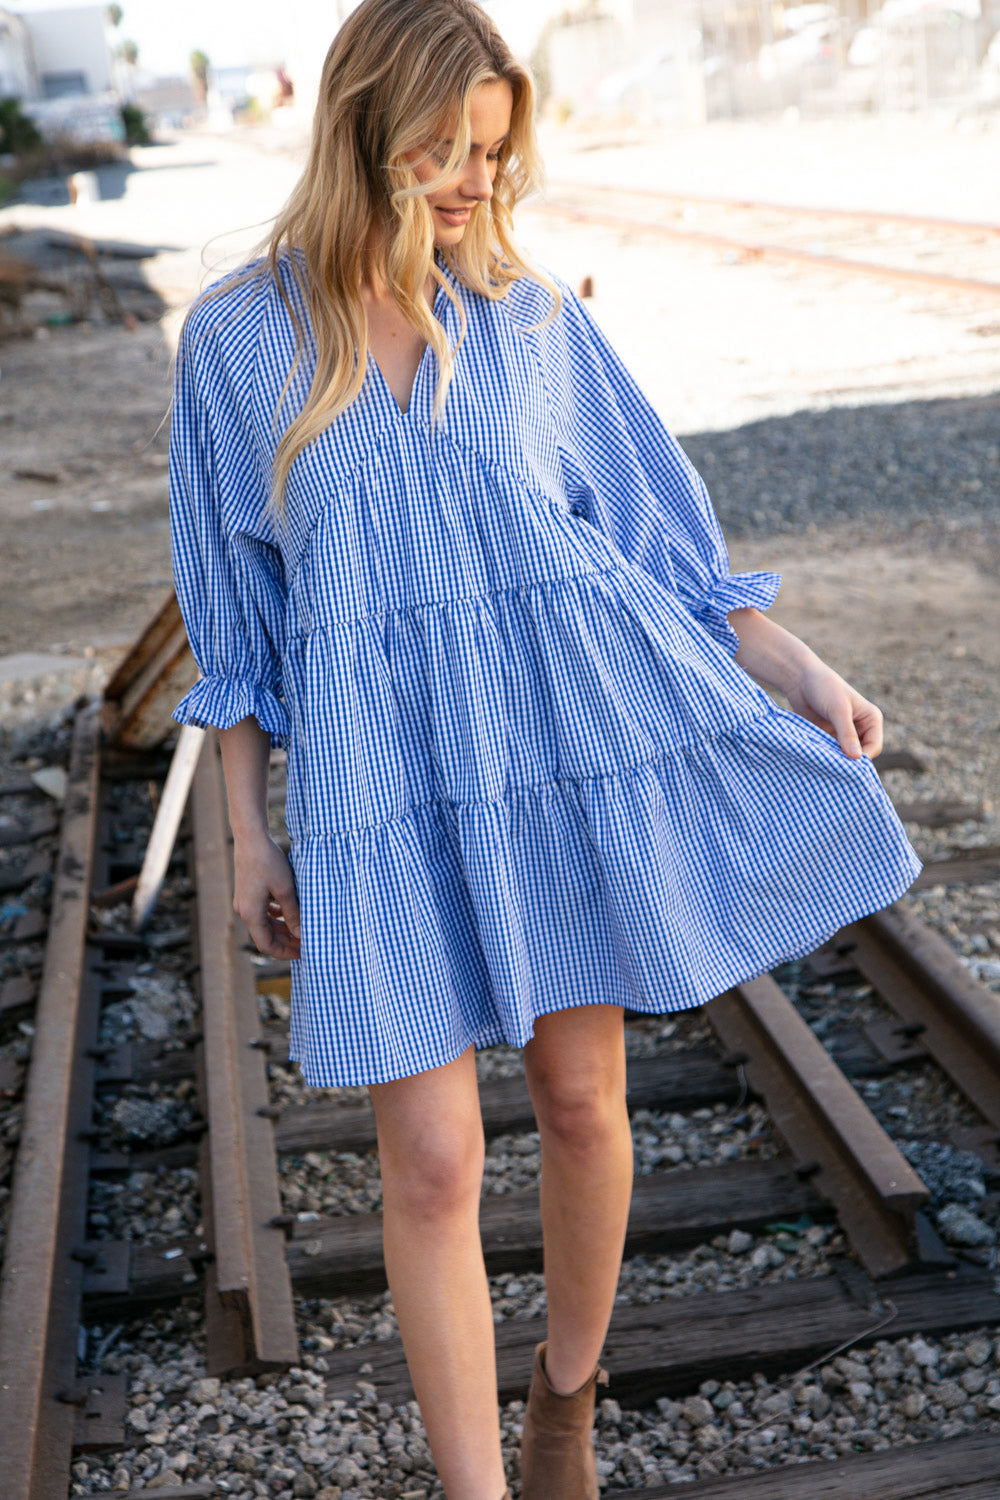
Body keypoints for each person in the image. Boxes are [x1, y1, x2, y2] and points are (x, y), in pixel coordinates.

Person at [167, 2, 921, 1495]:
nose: (470, 185)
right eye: (441, 151)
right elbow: (235, 627)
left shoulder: (531, 321)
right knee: (434, 1164)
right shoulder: (238, 341)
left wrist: (795, 664)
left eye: (492, 154)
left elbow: (659, 554)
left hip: (559, 751)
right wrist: (255, 830)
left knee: (583, 1106)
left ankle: (565, 1394)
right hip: (382, 789)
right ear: (364, 133)